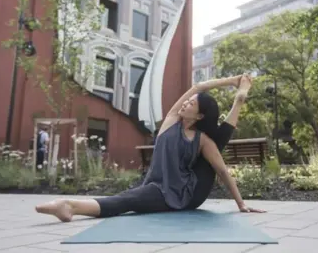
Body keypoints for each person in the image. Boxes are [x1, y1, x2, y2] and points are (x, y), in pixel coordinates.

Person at [35, 74, 266, 222]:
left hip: (189, 192)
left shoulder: (202, 139)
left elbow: (222, 171)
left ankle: (70, 206)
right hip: (160, 186)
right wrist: (231, 80)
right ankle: (239, 98)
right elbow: (198, 85)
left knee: (128, 200)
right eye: (188, 100)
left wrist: (241, 204)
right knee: (133, 197)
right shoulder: (171, 120)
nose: (185, 102)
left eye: (192, 103)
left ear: (200, 115)